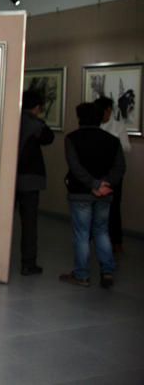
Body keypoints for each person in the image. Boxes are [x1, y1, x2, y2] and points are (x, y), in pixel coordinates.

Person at [60, 102, 125, 288]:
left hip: (80, 194)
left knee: (81, 234)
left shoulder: (72, 139)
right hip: (105, 195)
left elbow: (75, 167)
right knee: (101, 231)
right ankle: (107, 271)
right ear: (100, 118)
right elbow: (120, 167)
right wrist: (104, 185)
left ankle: (81, 275)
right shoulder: (112, 140)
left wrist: (94, 184)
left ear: (79, 118)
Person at [15, 90, 55, 275]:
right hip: (29, 181)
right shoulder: (36, 124)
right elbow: (49, 138)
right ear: (37, 107)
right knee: (29, 222)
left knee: (1, 219)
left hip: (8, 179)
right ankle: (28, 262)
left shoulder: (12, 119)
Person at [94, 96, 131, 254]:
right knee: (92, 205)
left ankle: (116, 241)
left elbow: (127, 147)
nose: (106, 114)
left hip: (113, 173)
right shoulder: (93, 126)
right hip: (94, 173)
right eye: (104, 111)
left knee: (114, 207)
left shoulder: (117, 126)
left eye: (109, 111)